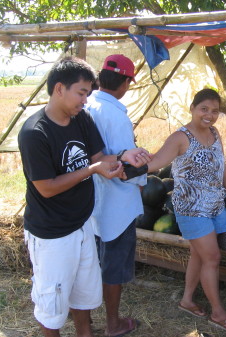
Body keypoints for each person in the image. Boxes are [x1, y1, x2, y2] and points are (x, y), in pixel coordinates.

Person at [18, 56, 149, 337]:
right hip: (51, 234)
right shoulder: (34, 132)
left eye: (88, 94)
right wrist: (92, 169)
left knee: (82, 297)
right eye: (81, 93)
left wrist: (123, 156)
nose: (86, 100)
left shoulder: (81, 119)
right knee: (52, 306)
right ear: (59, 89)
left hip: (82, 225)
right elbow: (47, 187)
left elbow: (100, 157)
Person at [129, 88, 226, 333]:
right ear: (192, 108)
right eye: (204, 109)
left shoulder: (215, 132)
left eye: (215, 111)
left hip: (214, 204)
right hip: (191, 208)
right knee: (212, 257)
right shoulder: (181, 137)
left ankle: (187, 300)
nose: (209, 115)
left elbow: (220, 161)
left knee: (199, 255)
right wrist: (129, 168)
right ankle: (218, 313)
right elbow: (157, 162)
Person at [85, 54, 146, 337]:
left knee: (94, 261)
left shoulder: (87, 105)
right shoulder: (116, 115)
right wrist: (144, 178)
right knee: (113, 267)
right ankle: (113, 323)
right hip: (117, 203)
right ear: (125, 83)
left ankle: (88, 323)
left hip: (91, 200)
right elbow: (128, 166)